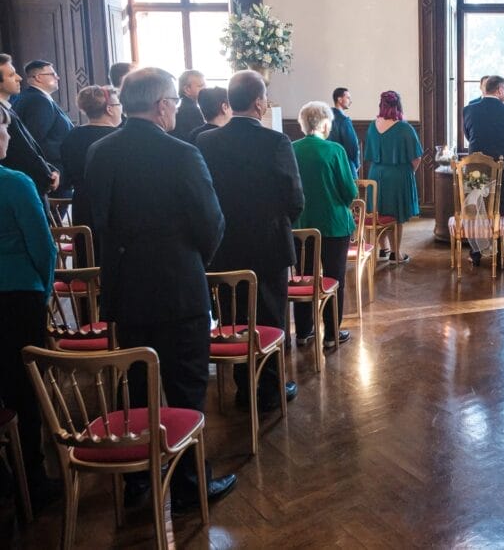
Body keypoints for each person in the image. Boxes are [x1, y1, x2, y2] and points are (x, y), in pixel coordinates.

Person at [84, 67, 235, 509]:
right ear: (163, 105)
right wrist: (192, 261)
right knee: (187, 387)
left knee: (133, 384)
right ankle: (190, 485)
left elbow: (100, 220)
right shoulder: (182, 154)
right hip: (178, 288)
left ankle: (136, 481)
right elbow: (211, 224)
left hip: (126, 286)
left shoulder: (99, 151)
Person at [197, 71, 302, 409]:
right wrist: (280, 223)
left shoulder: (207, 142)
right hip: (268, 244)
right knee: (270, 317)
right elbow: (294, 198)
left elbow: (204, 195)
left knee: (234, 317)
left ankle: (243, 387)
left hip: (224, 244)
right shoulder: (276, 142)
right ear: (259, 102)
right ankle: (269, 390)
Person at [0, 104, 58, 508]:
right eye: (3, 130)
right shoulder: (15, 183)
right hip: (19, 296)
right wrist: (45, 288)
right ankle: (33, 482)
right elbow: (43, 246)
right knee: (25, 389)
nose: (7, 137)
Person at [292, 101, 357, 347]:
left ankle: (303, 332)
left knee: (303, 278)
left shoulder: (291, 149)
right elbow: (349, 191)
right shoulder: (334, 151)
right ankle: (331, 334)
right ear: (325, 123)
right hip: (334, 225)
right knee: (334, 278)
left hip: (301, 225)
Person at [462, 75, 504, 265]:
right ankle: (497, 252)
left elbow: (468, 134)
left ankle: (476, 252)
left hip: (475, 167)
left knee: (476, 209)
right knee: (499, 210)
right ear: (500, 90)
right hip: (503, 167)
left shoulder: (468, 110)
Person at [364, 90, 423, 264]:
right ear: (398, 105)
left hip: (375, 174)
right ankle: (396, 254)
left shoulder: (372, 126)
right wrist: (409, 172)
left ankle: (384, 249)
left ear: (381, 105)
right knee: (396, 215)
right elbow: (417, 157)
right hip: (398, 175)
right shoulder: (404, 128)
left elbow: (368, 154)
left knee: (378, 211)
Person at [59, 85, 120, 226]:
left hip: (82, 205)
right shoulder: (120, 138)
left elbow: (67, 178)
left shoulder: (72, 135)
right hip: (114, 206)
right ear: (109, 109)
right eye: (119, 104)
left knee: (86, 246)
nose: (121, 108)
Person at [0, 54, 57, 196]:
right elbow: (21, 152)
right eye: (12, 75)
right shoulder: (36, 101)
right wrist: (47, 175)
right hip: (24, 188)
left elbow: (30, 147)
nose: (19, 78)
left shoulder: (8, 108)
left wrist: (49, 168)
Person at [14, 59, 73, 194]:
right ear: (39, 78)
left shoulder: (34, 97)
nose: (57, 77)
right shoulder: (38, 101)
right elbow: (34, 140)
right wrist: (49, 171)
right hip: (51, 176)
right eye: (52, 74)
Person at [328, 86, 360, 177]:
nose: (350, 101)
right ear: (340, 99)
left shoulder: (326, 118)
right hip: (345, 165)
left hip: (329, 164)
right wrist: (356, 163)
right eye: (348, 98)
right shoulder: (343, 120)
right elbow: (352, 145)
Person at [169, 69, 206, 141]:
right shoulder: (191, 111)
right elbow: (201, 138)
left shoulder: (182, 107)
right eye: (201, 86)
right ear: (187, 89)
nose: (205, 89)